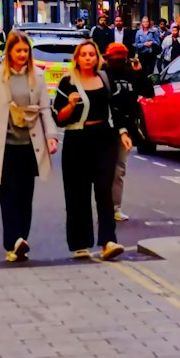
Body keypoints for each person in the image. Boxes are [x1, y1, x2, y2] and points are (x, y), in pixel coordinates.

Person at [0, 31, 59, 262]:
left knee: (25, 196)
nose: (22, 55)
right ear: (9, 51)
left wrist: (51, 136)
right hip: (4, 146)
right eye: (18, 51)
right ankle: (12, 242)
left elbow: (45, 109)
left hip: (29, 145)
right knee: (7, 195)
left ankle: (21, 240)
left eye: (25, 51)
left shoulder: (37, 76)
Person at [52, 40, 126, 261]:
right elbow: (58, 117)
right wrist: (71, 105)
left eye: (91, 54)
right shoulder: (68, 83)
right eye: (83, 54)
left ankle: (108, 241)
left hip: (104, 138)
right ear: (77, 58)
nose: (87, 58)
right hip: (77, 139)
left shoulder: (105, 79)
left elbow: (115, 108)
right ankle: (80, 243)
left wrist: (123, 132)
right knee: (78, 194)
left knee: (104, 190)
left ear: (97, 57)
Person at [102, 43, 143, 223]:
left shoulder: (130, 74)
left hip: (126, 128)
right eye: (115, 57)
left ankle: (115, 207)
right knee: (105, 169)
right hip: (106, 128)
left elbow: (148, 92)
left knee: (119, 169)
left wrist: (139, 72)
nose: (119, 61)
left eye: (122, 57)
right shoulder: (103, 75)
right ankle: (105, 206)